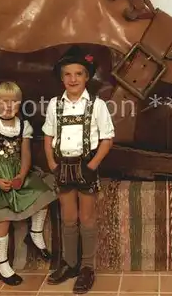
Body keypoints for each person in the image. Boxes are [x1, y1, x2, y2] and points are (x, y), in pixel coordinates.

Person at [0, 81, 57, 286]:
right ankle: (2, 264)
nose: (8, 106)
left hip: (15, 172)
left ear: (19, 104)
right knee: (2, 219)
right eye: (3, 102)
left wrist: (22, 176)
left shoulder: (23, 126)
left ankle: (36, 233)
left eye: (13, 102)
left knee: (44, 192)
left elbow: (25, 155)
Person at [43, 45, 115, 294]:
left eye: (78, 74)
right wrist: (52, 163)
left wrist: (93, 165)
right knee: (69, 217)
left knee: (86, 218)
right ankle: (70, 263)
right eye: (68, 74)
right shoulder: (55, 105)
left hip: (86, 165)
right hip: (63, 165)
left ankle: (87, 267)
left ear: (87, 77)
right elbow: (48, 135)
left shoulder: (97, 105)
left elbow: (107, 139)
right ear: (62, 78)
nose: (73, 79)